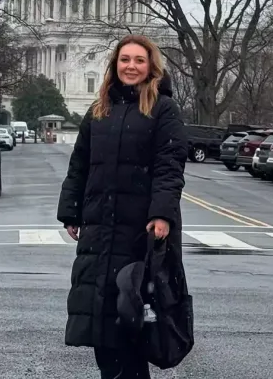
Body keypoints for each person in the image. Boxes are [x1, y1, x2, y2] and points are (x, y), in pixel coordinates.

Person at [57, 34, 187, 379]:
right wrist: (70, 210)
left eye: (139, 60)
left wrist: (161, 214)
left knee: (131, 326)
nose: (131, 66)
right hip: (99, 231)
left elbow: (169, 166)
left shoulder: (163, 108)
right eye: (125, 59)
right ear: (115, 65)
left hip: (138, 232)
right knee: (102, 329)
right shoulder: (99, 109)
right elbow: (80, 164)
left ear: (151, 67)